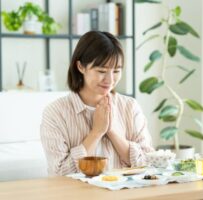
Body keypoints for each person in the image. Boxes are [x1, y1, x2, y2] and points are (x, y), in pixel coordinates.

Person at [40, 31, 154, 176]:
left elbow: (149, 164)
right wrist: (97, 132)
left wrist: (111, 130)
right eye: (101, 71)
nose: (110, 80)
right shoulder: (55, 113)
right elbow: (60, 174)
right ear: (80, 67)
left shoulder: (130, 107)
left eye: (117, 71)